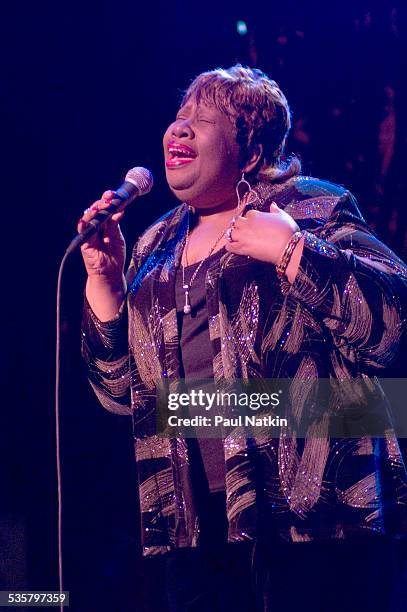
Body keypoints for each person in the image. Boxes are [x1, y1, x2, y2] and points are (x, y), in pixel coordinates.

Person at [79, 65, 407, 611]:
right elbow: (123, 398)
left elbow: (394, 324)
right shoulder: (156, 245)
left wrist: (294, 250)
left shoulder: (310, 208)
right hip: (198, 523)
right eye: (179, 118)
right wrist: (106, 283)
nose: (179, 131)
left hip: (319, 520)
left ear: (250, 152)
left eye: (202, 121)